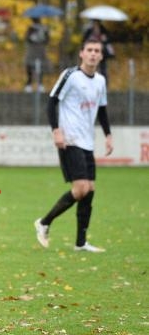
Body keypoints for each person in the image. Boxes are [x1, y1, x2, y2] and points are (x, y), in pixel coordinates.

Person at [34, 38, 113, 253]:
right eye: (90, 50)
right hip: (70, 140)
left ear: (101, 55)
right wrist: (56, 130)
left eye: (97, 51)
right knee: (81, 189)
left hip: (87, 142)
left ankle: (80, 243)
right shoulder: (71, 76)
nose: (93, 54)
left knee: (90, 190)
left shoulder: (100, 81)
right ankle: (44, 222)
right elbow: (52, 101)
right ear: (82, 53)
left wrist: (108, 135)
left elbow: (102, 109)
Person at [82, 19, 114, 85]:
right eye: (94, 23)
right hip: (91, 54)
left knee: (103, 68)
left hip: (102, 53)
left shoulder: (103, 30)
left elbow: (109, 40)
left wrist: (105, 39)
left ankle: (105, 83)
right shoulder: (89, 30)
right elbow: (84, 40)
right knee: (91, 66)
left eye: (97, 23)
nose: (96, 24)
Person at [24, 17, 49, 93]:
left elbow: (47, 40)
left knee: (41, 67)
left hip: (40, 50)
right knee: (29, 66)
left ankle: (40, 84)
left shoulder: (44, 28)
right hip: (32, 50)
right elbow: (27, 38)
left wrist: (43, 36)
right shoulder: (30, 28)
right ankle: (29, 84)